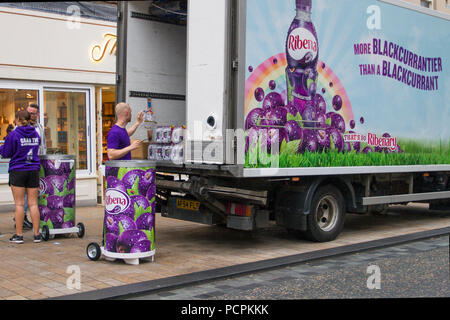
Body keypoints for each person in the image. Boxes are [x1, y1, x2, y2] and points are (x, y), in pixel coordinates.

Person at [0, 110, 42, 243]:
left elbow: (6, 153)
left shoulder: (14, 134)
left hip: (18, 170)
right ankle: (37, 235)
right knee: (33, 203)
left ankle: (18, 236)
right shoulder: (35, 134)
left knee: (19, 204)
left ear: (17, 119)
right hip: (33, 170)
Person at [19, 103, 47, 230]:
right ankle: (22, 216)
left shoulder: (39, 127)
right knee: (26, 194)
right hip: (23, 164)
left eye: (33, 113)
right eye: (28, 112)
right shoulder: (20, 128)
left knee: (33, 193)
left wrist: (44, 159)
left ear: (37, 114)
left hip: (37, 162)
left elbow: (43, 145)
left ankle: (25, 217)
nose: (30, 115)